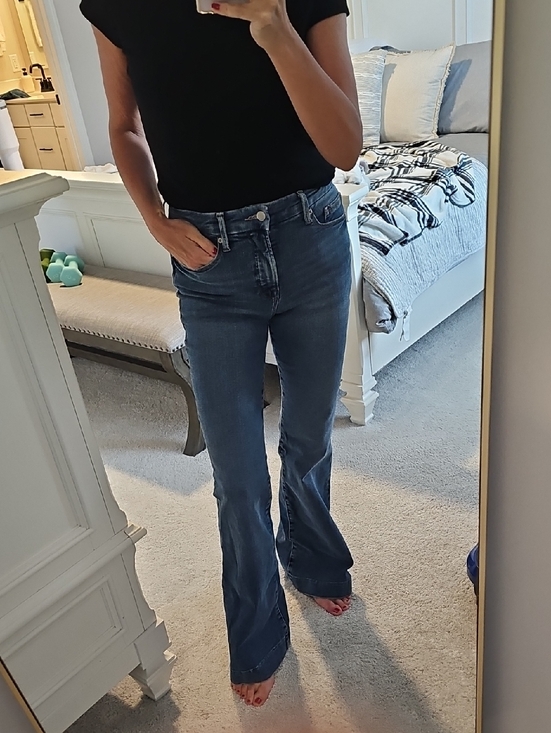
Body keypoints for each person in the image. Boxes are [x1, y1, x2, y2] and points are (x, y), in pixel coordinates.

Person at [80, 0, 362, 708]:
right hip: (209, 262)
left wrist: (274, 29)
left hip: (311, 236)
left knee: (308, 437)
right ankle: (257, 628)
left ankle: (312, 557)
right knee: (237, 475)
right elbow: (123, 125)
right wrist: (155, 221)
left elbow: (345, 146)